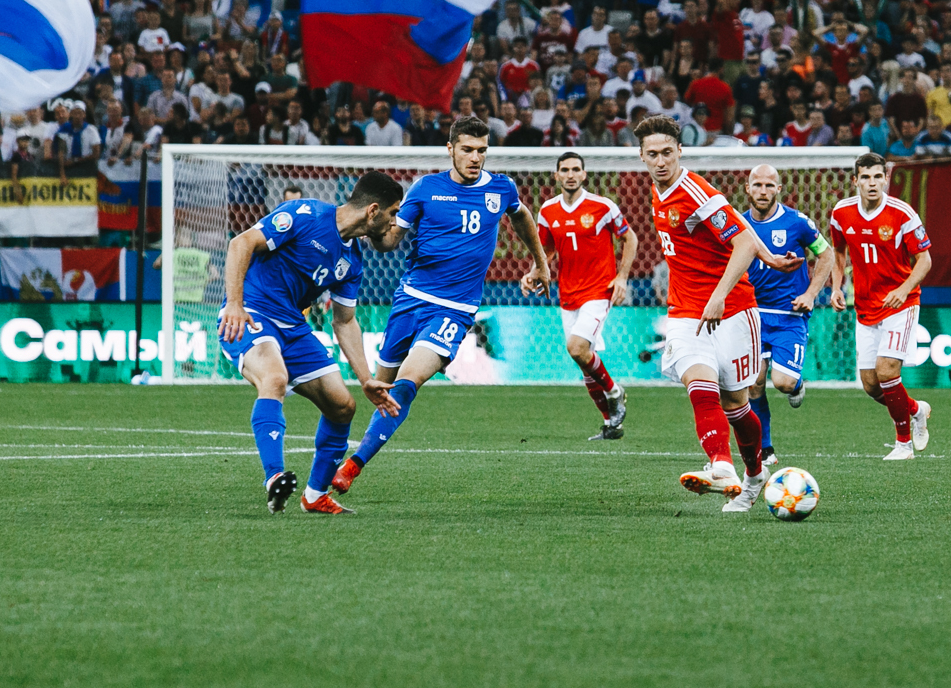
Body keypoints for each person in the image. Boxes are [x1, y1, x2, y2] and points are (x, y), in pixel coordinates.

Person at [331, 119, 550, 499]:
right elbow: (390, 242)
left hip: (454, 310)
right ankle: (336, 457)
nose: (475, 157)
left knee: (406, 384)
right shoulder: (426, 189)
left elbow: (521, 216)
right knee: (381, 389)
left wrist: (540, 263)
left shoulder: (501, 188)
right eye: (467, 149)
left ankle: (353, 466)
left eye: (481, 150)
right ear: (450, 149)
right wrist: (368, 230)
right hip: (409, 301)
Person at [216, 172, 405, 514]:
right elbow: (240, 243)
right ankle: (275, 478)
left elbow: (344, 321)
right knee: (274, 378)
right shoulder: (305, 215)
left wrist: (366, 379)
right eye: (393, 214)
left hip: (293, 326)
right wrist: (234, 303)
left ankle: (315, 496)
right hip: (252, 313)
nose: (395, 224)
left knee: (342, 406)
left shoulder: (352, 261)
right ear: (373, 211)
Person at [636, 115, 789, 508]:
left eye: (667, 152)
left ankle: (754, 475)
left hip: (733, 309)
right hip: (686, 311)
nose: (660, 161)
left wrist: (720, 295)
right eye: (652, 154)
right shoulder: (658, 190)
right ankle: (721, 465)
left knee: (736, 403)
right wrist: (770, 257)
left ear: (680, 151)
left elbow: (742, 243)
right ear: (642, 157)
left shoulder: (695, 192)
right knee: (699, 384)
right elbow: (744, 231)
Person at [526, 151, 638, 440]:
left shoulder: (602, 206)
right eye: (565, 170)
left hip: (598, 290)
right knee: (584, 360)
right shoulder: (548, 211)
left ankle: (615, 391)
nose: (571, 174)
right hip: (568, 293)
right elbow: (547, 250)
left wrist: (622, 277)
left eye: (576, 169)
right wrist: (534, 272)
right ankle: (611, 424)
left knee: (576, 348)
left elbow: (630, 237)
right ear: (556, 176)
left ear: (584, 174)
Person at [829, 153, 934, 461]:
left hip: (901, 303)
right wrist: (836, 286)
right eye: (865, 177)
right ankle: (916, 410)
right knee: (871, 385)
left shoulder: (902, 214)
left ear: (886, 179)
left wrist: (903, 290)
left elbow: (925, 260)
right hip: (865, 307)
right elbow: (838, 251)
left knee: (887, 370)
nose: (872, 183)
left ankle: (903, 445)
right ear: (855, 181)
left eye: (877, 176)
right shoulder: (842, 213)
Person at [741, 164, 835, 469]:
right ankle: (765, 448)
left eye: (769, 185)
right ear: (748, 189)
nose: (763, 191)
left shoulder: (797, 222)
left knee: (781, 382)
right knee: (754, 383)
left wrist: (811, 294)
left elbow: (826, 254)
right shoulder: (738, 225)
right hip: (752, 315)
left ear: (779, 190)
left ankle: (796, 385)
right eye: (757, 185)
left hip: (789, 314)